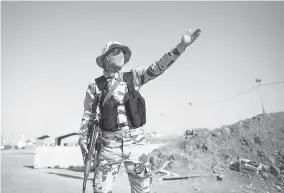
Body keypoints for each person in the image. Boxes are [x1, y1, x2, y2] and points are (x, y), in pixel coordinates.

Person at [78, 28, 202, 193]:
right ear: (107, 57)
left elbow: (158, 67)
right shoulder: (95, 86)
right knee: (100, 190)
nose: (121, 54)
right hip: (109, 147)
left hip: (136, 146)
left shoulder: (134, 76)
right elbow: (89, 116)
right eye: (116, 51)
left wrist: (181, 46)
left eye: (122, 51)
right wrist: (83, 139)